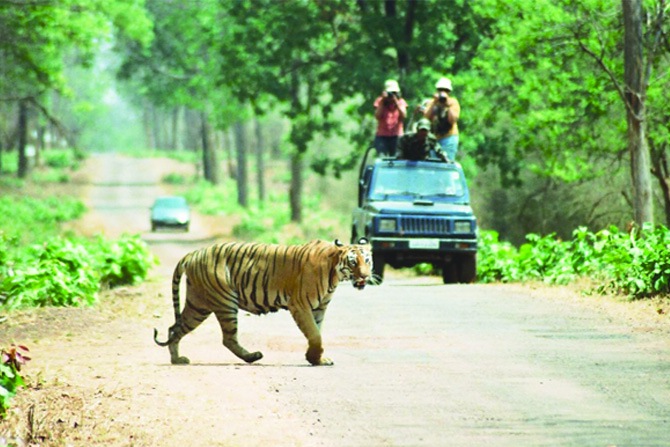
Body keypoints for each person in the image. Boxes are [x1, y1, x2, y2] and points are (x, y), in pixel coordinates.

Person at [424, 77, 460, 161]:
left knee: (447, 162)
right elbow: (426, 117)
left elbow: (453, 120)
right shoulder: (432, 102)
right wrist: (434, 102)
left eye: (445, 90)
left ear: (449, 92)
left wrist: (448, 105)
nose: (443, 92)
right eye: (440, 90)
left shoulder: (453, 102)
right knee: (433, 163)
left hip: (449, 137)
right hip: (434, 138)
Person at [373, 79, 407, 157]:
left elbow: (404, 115)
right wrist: (383, 102)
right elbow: (377, 116)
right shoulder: (380, 101)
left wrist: (396, 102)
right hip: (382, 136)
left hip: (397, 136)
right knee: (382, 157)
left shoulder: (401, 101)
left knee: (396, 158)